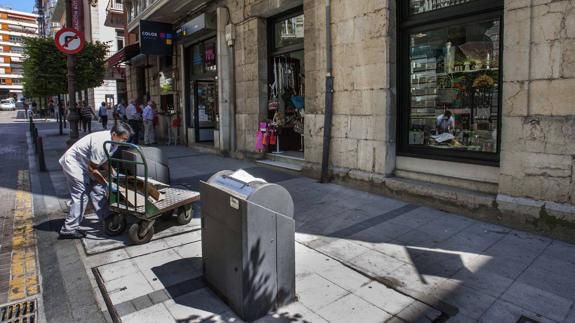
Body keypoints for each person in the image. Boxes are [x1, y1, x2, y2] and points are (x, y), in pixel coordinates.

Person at [58, 123, 133, 239]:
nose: (124, 142)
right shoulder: (101, 143)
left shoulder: (113, 142)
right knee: (81, 195)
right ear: (114, 134)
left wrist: (114, 173)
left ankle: (106, 215)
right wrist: (106, 183)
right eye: (123, 139)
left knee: (97, 188)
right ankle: (69, 229)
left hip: (85, 163)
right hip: (74, 164)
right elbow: (92, 168)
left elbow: (104, 160)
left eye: (126, 140)